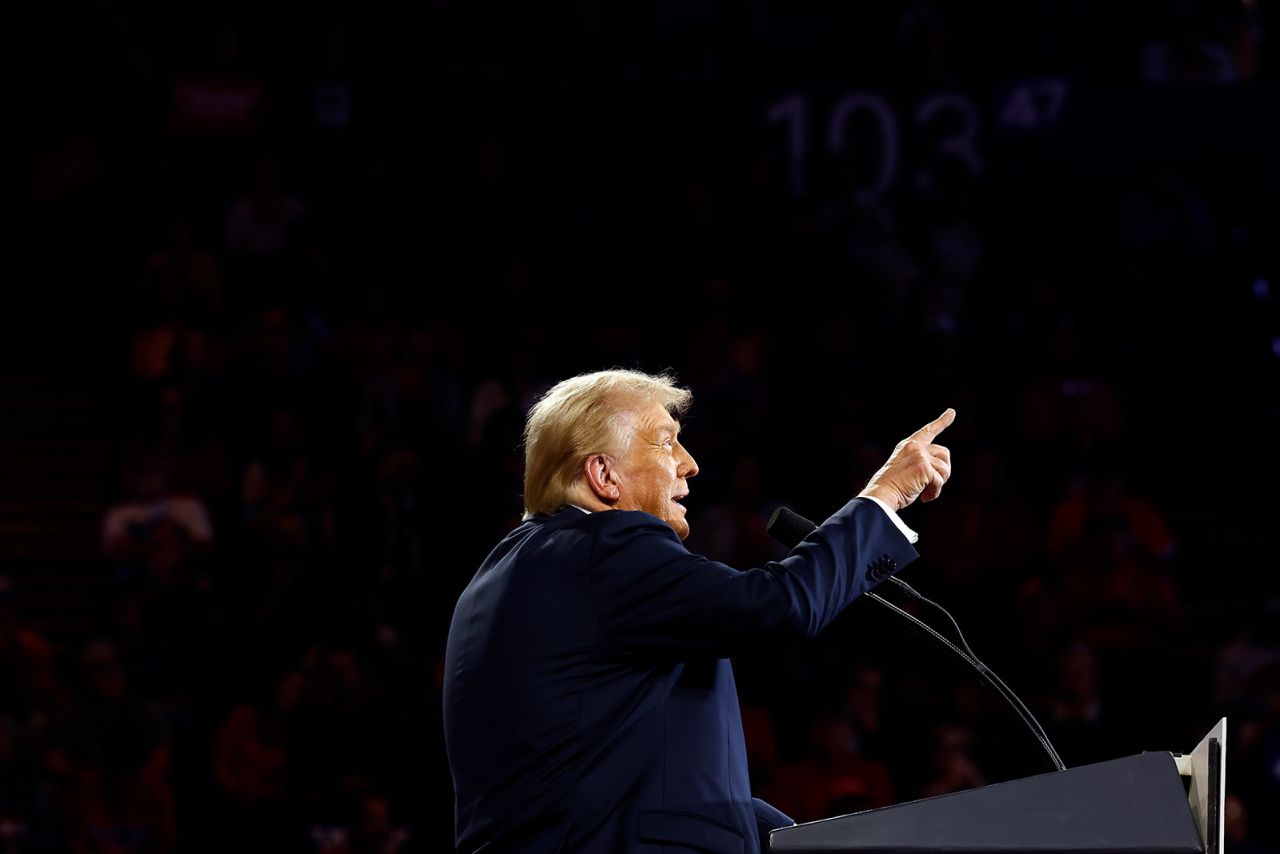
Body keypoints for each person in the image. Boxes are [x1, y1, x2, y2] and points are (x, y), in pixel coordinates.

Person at [443, 369, 954, 853]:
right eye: (666, 441)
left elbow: (614, 779)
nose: (689, 463)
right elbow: (780, 604)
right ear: (604, 475)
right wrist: (883, 496)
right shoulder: (607, 545)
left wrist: (797, 838)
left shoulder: (494, 580)